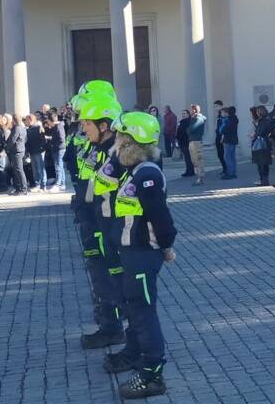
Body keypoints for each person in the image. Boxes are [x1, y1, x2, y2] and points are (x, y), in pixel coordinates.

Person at [100, 112, 178, 399]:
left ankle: (152, 374)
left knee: (144, 314)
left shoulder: (147, 175)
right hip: (132, 253)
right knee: (136, 309)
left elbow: (161, 217)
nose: (115, 143)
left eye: (120, 138)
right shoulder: (134, 170)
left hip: (144, 255)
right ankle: (139, 359)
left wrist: (167, 246)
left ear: (130, 141)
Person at [77, 92, 127, 351]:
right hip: (93, 224)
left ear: (104, 125)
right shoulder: (96, 149)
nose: (83, 128)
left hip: (107, 228)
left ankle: (116, 329)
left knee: (114, 282)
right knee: (101, 280)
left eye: (87, 123)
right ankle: (110, 324)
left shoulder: (117, 154)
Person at [250, 106, 274, 186]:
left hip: (263, 143)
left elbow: (261, 132)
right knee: (262, 163)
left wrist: (254, 134)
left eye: (257, 112)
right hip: (264, 143)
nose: (256, 113)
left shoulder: (265, 120)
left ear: (260, 112)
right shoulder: (265, 120)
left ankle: (264, 180)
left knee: (262, 163)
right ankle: (263, 180)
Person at [7, 114, 28, 196]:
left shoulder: (16, 128)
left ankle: (23, 189)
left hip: (16, 151)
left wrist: (7, 147)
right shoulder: (23, 128)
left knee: (19, 170)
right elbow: (25, 139)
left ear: (14, 120)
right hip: (20, 149)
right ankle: (19, 188)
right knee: (17, 170)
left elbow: (12, 140)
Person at [186, 104, 207, 186]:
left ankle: (200, 177)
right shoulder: (194, 118)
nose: (190, 111)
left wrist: (187, 129)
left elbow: (191, 129)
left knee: (198, 160)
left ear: (194, 110)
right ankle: (198, 177)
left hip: (196, 141)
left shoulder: (198, 118)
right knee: (194, 160)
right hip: (192, 141)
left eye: (191, 109)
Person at [25, 114, 46, 192]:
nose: (25, 122)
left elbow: (43, 140)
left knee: (41, 168)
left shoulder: (38, 128)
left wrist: (42, 148)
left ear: (31, 120)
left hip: (39, 151)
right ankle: (37, 184)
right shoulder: (28, 129)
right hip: (32, 151)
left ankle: (43, 185)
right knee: (35, 169)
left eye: (27, 120)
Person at [46, 115, 67, 192]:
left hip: (59, 149)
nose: (48, 124)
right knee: (60, 166)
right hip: (58, 149)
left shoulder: (58, 127)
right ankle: (62, 183)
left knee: (58, 166)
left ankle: (58, 184)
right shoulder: (56, 127)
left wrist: (53, 142)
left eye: (48, 122)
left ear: (52, 121)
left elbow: (61, 138)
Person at [220, 106, 239, 180]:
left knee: (227, 157)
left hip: (228, 140)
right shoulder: (234, 119)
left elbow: (223, 130)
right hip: (233, 139)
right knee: (232, 157)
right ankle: (233, 172)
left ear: (227, 113)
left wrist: (221, 129)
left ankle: (230, 173)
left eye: (223, 112)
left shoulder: (228, 120)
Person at [177, 109, 193, 177]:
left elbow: (186, 132)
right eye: (182, 113)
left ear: (188, 114)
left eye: (185, 113)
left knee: (188, 157)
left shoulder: (189, 122)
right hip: (181, 142)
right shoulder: (182, 122)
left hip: (186, 142)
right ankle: (188, 170)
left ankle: (190, 171)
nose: (183, 115)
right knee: (186, 157)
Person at [212, 100, 227, 174]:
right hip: (218, 135)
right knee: (220, 154)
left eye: (217, 106)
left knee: (223, 154)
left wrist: (222, 137)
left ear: (221, 106)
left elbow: (225, 125)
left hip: (222, 136)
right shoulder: (218, 114)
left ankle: (226, 169)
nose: (215, 108)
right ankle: (224, 168)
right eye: (215, 106)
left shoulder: (223, 114)